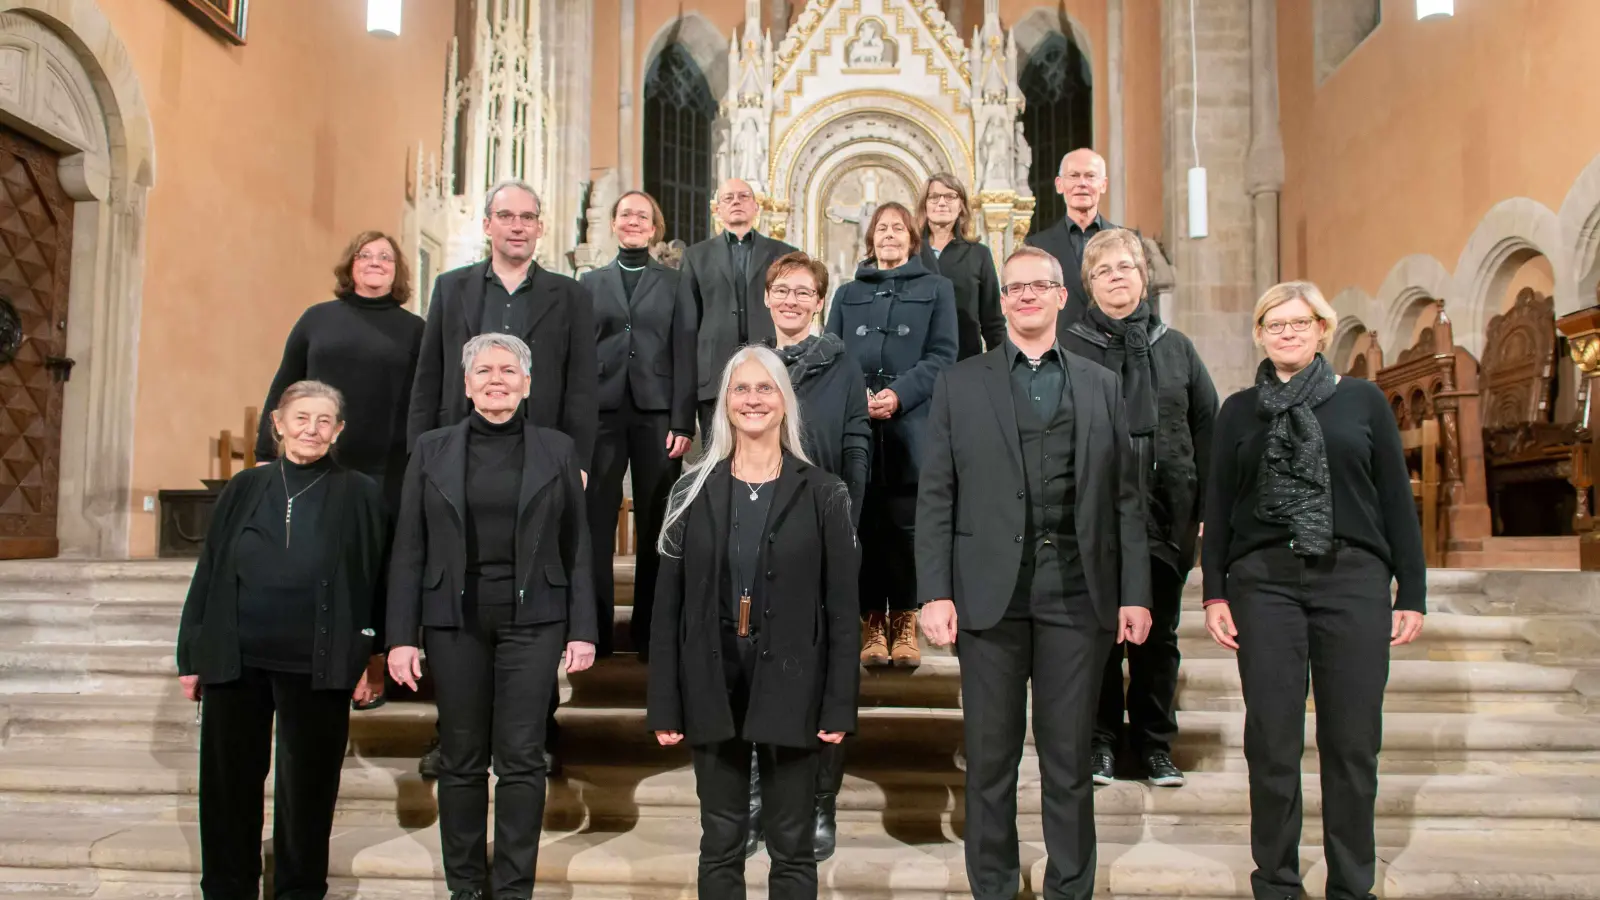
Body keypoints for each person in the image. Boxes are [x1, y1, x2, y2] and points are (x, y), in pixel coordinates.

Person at [916, 245, 1152, 900]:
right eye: (1014, 287)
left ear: (1060, 297)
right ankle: (992, 886)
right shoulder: (960, 384)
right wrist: (934, 590)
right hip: (989, 598)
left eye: (1038, 286)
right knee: (991, 761)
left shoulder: (1103, 385)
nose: (1025, 296)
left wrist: (1135, 592)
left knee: (1068, 760)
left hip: (1079, 596)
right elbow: (937, 494)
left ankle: (1069, 887)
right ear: (1002, 302)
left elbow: (1126, 500)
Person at [1201, 281, 1426, 900]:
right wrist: (1214, 593)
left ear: (1323, 329)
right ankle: (1276, 882)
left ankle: (1352, 885)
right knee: (1271, 742)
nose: (1288, 333)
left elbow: (1395, 500)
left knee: (1352, 743)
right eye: (1275, 324)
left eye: (1300, 323)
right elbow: (1218, 506)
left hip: (1351, 578)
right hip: (1263, 583)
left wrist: (1413, 592)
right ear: (1260, 334)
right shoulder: (1238, 411)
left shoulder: (1363, 402)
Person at [646, 345, 860, 900]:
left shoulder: (825, 493)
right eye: (741, 389)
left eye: (766, 388)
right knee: (719, 841)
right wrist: (665, 702)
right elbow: (667, 608)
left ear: (785, 403)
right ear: (725, 404)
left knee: (792, 845)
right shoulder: (690, 489)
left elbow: (840, 609)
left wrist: (839, 703)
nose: (753, 399)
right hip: (713, 682)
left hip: (794, 685)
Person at [387, 333, 596, 900]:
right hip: (453, 621)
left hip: (536, 620)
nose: (496, 379)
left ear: (527, 384)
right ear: (466, 384)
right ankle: (465, 887)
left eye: (508, 370)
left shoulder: (556, 448)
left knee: (523, 759)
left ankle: (511, 888)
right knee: (460, 758)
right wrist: (401, 637)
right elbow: (409, 547)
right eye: (484, 370)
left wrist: (583, 626)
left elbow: (577, 545)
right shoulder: (431, 448)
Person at [405, 177, 597, 777]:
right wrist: (421, 461)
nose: (517, 226)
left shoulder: (570, 296)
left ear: (541, 228)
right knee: (454, 593)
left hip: (540, 464)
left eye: (528, 217)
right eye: (506, 216)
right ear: (487, 225)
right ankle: (453, 733)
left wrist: (581, 461)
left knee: (534, 591)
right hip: (457, 462)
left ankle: (535, 731)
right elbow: (430, 377)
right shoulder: (452, 288)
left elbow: (583, 385)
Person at [176, 381, 388, 900]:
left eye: (323, 421)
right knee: (229, 790)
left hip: (316, 663)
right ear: (279, 423)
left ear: (338, 431)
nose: (311, 430)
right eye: (301, 418)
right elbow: (210, 573)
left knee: (308, 793)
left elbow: (373, 578)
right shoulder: (245, 487)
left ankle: (298, 890)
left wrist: (371, 655)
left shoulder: (360, 490)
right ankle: (228, 889)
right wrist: (192, 655)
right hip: (237, 659)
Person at [1061, 228, 1218, 789]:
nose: (1116, 277)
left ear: (1143, 276)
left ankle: (1153, 743)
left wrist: (1203, 506)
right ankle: (1101, 741)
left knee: (1159, 637)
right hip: (1094, 515)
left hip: (1165, 511)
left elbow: (1207, 429)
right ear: (1089, 285)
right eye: (1103, 271)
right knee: (1101, 635)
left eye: (1126, 267)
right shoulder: (1070, 347)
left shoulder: (1176, 348)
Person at [762, 250, 871, 861]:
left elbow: (857, 443)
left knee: (827, 664)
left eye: (804, 292)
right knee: (754, 660)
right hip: (756, 530)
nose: (792, 301)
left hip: (824, 529)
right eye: (783, 290)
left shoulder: (841, 363)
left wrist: (847, 521)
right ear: (768, 298)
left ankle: (820, 800)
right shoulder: (751, 363)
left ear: (819, 301)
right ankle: (760, 793)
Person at [826, 201, 958, 669]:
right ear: (870, 239)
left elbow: (943, 355)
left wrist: (899, 394)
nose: (889, 235)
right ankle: (871, 623)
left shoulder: (937, 289)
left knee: (904, 527)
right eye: (881, 229)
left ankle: (904, 619)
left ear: (911, 238)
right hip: (857, 422)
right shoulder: (846, 294)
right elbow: (832, 354)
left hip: (912, 422)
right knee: (862, 524)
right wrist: (857, 395)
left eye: (898, 229)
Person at [579, 190, 695, 658]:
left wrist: (683, 419)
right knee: (595, 521)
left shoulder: (674, 282)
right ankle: (595, 630)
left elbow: (685, 351)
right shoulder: (587, 283)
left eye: (641, 216)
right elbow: (578, 354)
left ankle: (650, 631)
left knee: (657, 523)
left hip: (657, 415)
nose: (632, 222)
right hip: (601, 415)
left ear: (654, 228)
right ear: (613, 224)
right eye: (625, 214)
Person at [255, 231, 424, 515]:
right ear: (350, 265)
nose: (376, 262)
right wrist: (265, 453)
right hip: (316, 458)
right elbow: (284, 386)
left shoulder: (417, 330)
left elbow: (425, 399)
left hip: (387, 468)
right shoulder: (316, 319)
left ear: (397, 271)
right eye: (365, 255)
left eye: (386, 257)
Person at [677, 177, 799, 437]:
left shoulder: (785, 253)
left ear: (757, 207)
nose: (736, 202)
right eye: (728, 198)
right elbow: (687, 324)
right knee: (717, 460)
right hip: (714, 377)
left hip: (771, 369)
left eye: (744, 197)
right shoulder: (695, 256)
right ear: (717, 210)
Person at [1024, 148, 1121, 336]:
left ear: (1103, 184)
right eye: (1074, 176)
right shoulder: (1037, 247)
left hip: (1114, 354)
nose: (1082, 183)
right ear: (1059, 185)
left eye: (1090, 176)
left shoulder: (1126, 242)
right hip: (1059, 354)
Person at [916, 173, 1004, 360]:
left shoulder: (979, 254)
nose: (942, 203)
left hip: (965, 360)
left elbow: (993, 323)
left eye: (950, 196)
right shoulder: (909, 253)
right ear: (924, 205)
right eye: (934, 197)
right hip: (916, 363)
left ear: (961, 205)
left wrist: (1003, 369)